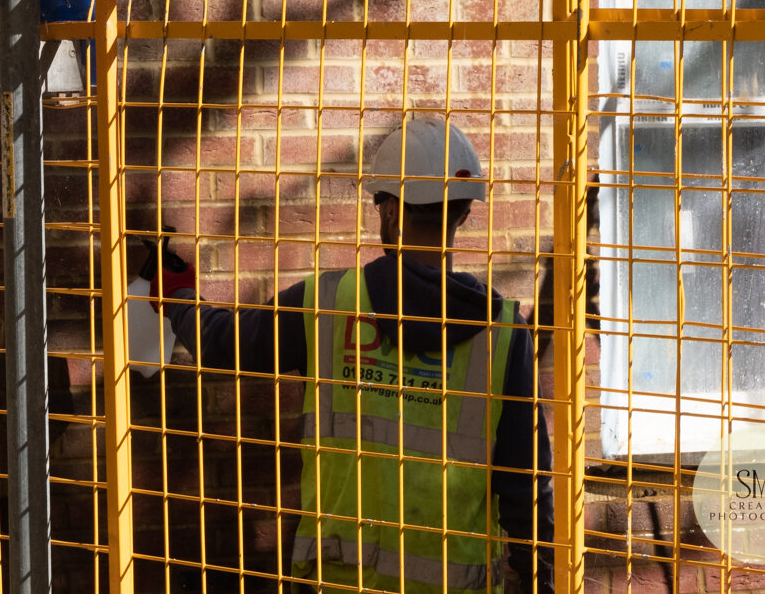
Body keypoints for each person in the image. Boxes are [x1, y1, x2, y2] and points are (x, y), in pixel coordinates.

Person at [151, 112, 555, 594]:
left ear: (388, 210)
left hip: (339, 580)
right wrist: (539, 578)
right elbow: (527, 484)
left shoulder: (326, 303)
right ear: (464, 213)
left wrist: (177, 297)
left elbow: (227, 343)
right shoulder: (505, 332)